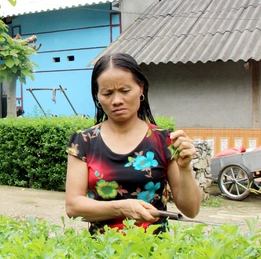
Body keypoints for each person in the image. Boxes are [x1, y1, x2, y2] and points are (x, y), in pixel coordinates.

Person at [65, 53, 201, 234]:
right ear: (98, 96)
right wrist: (121, 208)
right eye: (107, 93)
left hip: (155, 254)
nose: (117, 101)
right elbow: (73, 207)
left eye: (125, 91)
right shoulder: (84, 141)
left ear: (141, 88)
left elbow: (191, 210)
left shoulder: (164, 141)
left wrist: (185, 169)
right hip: (101, 253)